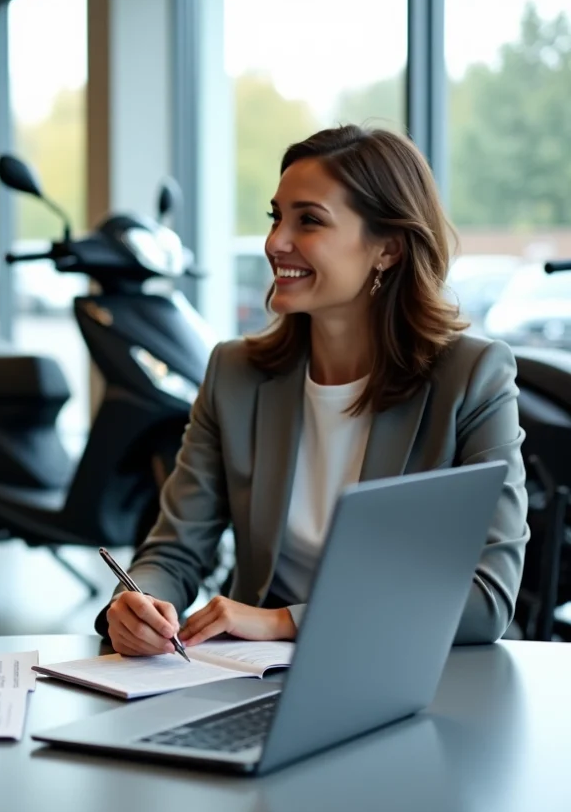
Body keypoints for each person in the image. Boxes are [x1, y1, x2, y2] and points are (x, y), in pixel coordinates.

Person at [99, 125, 528, 656]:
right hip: (253, 678)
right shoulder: (235, 373)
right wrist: (136, 606)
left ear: (388, 249)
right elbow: (174, 551)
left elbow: (487, 599)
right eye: (276, 217)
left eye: (309, 221)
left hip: (408, 675)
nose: (275, 242)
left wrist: (285, 622)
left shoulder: (472, 376)